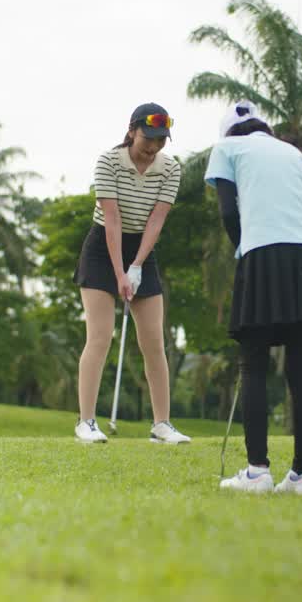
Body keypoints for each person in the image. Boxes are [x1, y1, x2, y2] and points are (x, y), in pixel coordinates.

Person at [206, 101, 302, 497]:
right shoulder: (295, 154)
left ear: (230, 132)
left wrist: (243, 249)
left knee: (253, 363)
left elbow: (230, 212)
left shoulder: (227, 149)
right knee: (300, 366)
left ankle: (257, 471)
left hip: (263, 250)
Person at [72, 103, 190, 445]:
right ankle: (86, 422)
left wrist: (137, 266)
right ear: (131, 131)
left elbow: (156, 220)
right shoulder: (109, 161)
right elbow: (112, 220)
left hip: (142, 250)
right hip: (101, 250)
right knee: (100, 336)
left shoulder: (170, 169)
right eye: (147, 138)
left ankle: (162, 425)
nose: (153, 147)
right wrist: (120, 272)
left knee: (153, 341)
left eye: (160, 140)